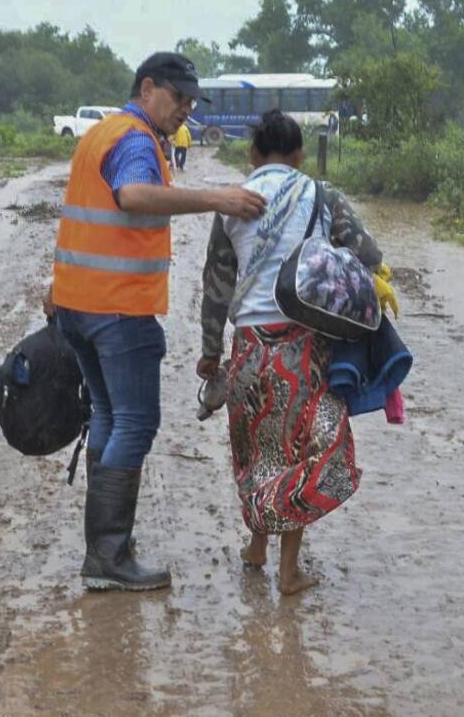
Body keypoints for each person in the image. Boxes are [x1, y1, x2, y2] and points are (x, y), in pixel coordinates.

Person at [49, 51, 267, 592]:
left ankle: (106, 547)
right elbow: (133, 196)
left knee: (106, 414)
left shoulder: (102, 132)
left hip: (78, 304)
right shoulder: (134, 140)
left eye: (193, 103)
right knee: (135, 423)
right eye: (179, 99)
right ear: (148, 89)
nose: (186, 111)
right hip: (117, 309)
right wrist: (217, 198)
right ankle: (107, 556)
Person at [197, 110, 387, 595]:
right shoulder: (322, 195)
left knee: (255, 447)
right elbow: (369, 256)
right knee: (297, 450)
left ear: (253, 154)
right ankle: (288, 570)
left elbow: (216, 286)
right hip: (304, 342)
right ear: (300, 155)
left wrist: (209, 352)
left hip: (248, 344)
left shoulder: (233, 205)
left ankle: (257, 548)